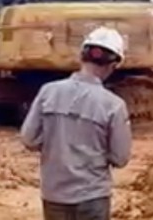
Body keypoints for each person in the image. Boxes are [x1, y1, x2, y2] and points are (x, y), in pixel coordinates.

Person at [19, 26, 133, 220]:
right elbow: (120, 158)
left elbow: (29, 139)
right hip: (92, 197)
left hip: (54, 195)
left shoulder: (48, 92)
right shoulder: (114, 105)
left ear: (82, 55)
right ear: (113, 65)